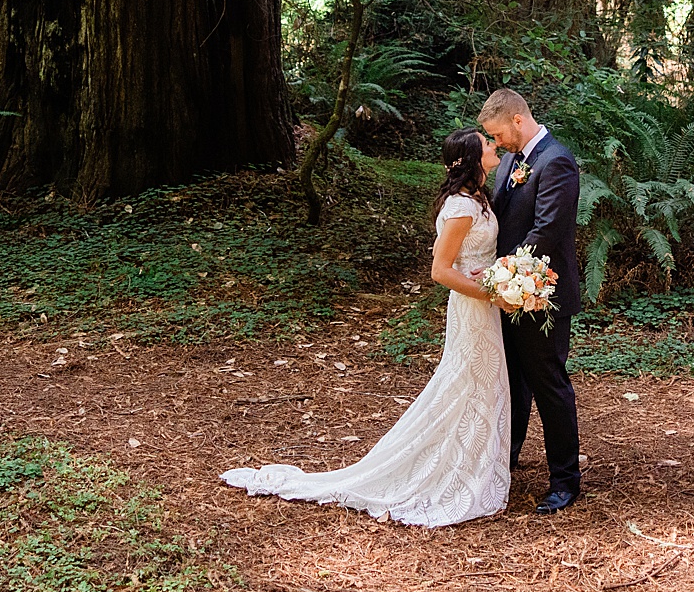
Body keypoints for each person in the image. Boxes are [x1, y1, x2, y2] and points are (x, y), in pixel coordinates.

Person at [220, 128, 511, 527]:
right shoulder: (461, 207)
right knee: (465, 382)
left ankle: (473, 458)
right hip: (474, 307)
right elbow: (441, 271)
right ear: (472, 158)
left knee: (482, 384)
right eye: (487, 143)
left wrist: (499, 276)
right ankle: (446, 468)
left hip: (485, 306)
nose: (495, 146)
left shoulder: (478, 198)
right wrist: (490, 293)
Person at [478, 88, 583, 515]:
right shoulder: (510, 162)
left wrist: (498, 275)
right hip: (508, 293)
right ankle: (510, 456)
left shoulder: (556, 161)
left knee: (548, 385)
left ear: (517, 121)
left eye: (498, 133)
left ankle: (565, 479)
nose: (496, 142)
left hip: (541, 295)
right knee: (512, 380)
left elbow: (545, 233)